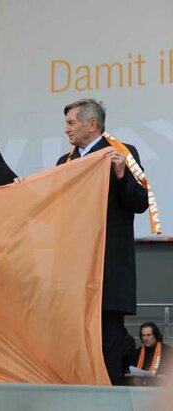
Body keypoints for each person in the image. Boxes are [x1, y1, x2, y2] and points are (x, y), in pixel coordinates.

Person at [55, 98, 149, 385]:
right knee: (72, 336)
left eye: (71, 122)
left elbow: (140, 201)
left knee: (107, 337)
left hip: (108, 265)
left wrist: (121, 174)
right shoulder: (65, 162)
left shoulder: (122, 154)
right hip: (74, 267)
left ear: (92, 124)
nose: (66, 130)